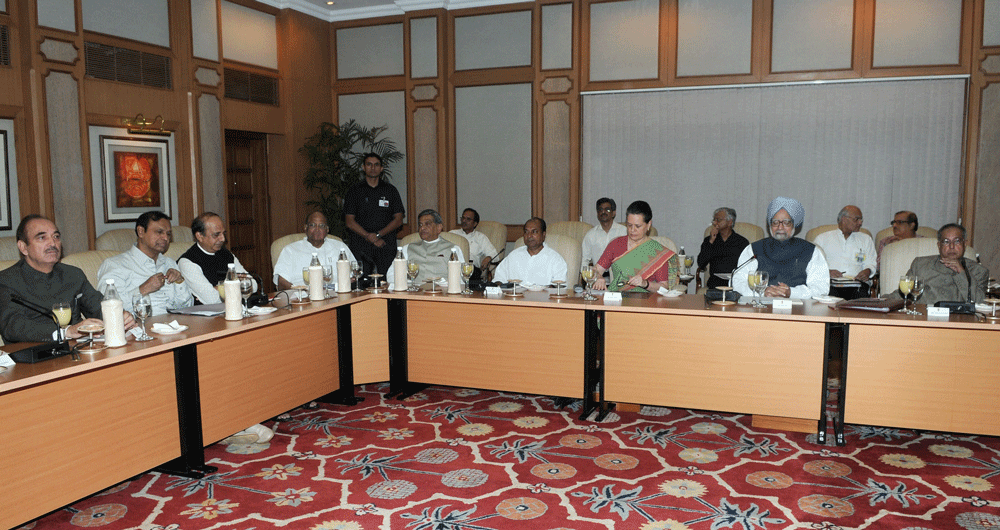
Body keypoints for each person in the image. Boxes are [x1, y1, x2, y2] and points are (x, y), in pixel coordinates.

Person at [0, 215, 135, 343]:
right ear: (23, 247)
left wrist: (118, 316)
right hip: (33, 352)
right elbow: (12, 326)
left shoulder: (72, 274)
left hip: (79, 348)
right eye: (42, 237)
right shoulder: (6, 280)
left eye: (56, 236)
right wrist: (66, 331)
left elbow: (97, 307)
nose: (53, 243)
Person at [97, 211, 194, 316]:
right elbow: (109, 310)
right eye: (159, 232)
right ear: (141, 232)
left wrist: (179, 281)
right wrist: (143, 289)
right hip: (140, 324)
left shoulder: (169, 263)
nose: (166, 238)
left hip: (175, 323)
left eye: (168, 234)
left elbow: (187, 307)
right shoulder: (115, 264)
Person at [732, 197, 830, 299]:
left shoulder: (811, 251)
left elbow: (821, 288)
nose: (780, 227)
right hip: (760, 305)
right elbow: (737, 282)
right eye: (775, 222)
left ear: (794, 225)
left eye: (786, 222)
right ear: (770, 225)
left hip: (798, 306)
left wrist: (792, 293)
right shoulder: (753, 249)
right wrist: (762, 292)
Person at [890, 223, 989, 306]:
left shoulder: (978, 271)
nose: (951, 246)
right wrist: (882, 301)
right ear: (939, 245)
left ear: (965, 244)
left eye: (957, 241)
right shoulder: (920, 264)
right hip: (923, 318)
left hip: (957, 321)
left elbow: (980, 303)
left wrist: (962, 273)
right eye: (946, 241)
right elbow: (904, 294)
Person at [592, 201, 678, 292]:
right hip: (618, 297)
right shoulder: (616, 244)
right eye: (629, 225)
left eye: (638, 226)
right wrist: (598, 277)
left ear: (649, 225)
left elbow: (664, 287)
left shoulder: (657, 251)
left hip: (647, 299)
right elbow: (594, 270)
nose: (632, 230)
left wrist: (645, 284)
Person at [343, 153, 405, 276]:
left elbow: (398, 220)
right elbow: (349, 221)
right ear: (363, 167)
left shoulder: (391, 190)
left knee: (387, 281)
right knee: (361, 282)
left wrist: (378, 235)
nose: (373, 168)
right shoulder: (354, 190)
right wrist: (368, 236)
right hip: (360, 245)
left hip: (385, 244)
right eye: (369, 164)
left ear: (381, 168)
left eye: (376, 165)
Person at [178, 212, 255, 304]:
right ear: (200, 236)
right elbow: (213, 299)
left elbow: (252, 285)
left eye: (223, 233)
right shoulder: (187, 262)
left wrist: (219, 288)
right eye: (216, 235)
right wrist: (236, 285)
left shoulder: (226, 254)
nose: (222, 239)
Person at [273, 211, 355, 291]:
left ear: (327, 229)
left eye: (321, 226)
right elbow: (281, 283)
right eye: (312, 225)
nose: (317, 229)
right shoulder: (290, 250)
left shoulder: (340, 247)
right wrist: (301, 291)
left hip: (338, 295)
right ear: (305, 227)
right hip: (303, 296)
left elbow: (355, 273)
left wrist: (350, 281)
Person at [386, 209, 465, 286]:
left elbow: (461, 279)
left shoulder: (453, 249)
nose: (422, 228)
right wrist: (407, 285)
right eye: (420, 225)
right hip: (415, 292)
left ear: (439, 227)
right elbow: (392, 274)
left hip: (442, 292)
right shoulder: (407, 248)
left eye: (427, 224)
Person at [813, 205, 876, 299]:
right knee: (829, 297)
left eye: (861, 220)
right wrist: (827, 272)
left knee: (860, 298)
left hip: (857, 286)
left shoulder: (866, 239)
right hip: (830, 285)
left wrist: (868, 271)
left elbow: (871, 263)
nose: (860, 223)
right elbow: (813, 264)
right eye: (857, 219)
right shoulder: (822, 239)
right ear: (844, 219)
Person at [492, 217, 567, 286]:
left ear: (543, 235)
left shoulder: (555, 259)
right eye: (526, 232)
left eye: (534, 232)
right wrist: (498, 285)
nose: (529, 235)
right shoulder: (514, 256)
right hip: (516, 296)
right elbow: (498, 279)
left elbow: (560, 288)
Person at [697, 207, 749, 289]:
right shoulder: (709, 240)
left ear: (730, 222)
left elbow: (747, 266)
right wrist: (711, 241)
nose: (715, 223)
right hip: (715, 284)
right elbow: (701, 263)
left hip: (736, 284)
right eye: (714, 220)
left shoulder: (742, 242)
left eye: (718, 220)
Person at [581, 197, 626, 268]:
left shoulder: (624, 232)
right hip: (598, 273)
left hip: (621, 273)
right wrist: (587, 274)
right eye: (600, 210)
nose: (603, 212)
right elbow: (584, 260)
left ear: (613, 213)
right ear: (597, 213)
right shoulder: (591, 234)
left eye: (607, 209)